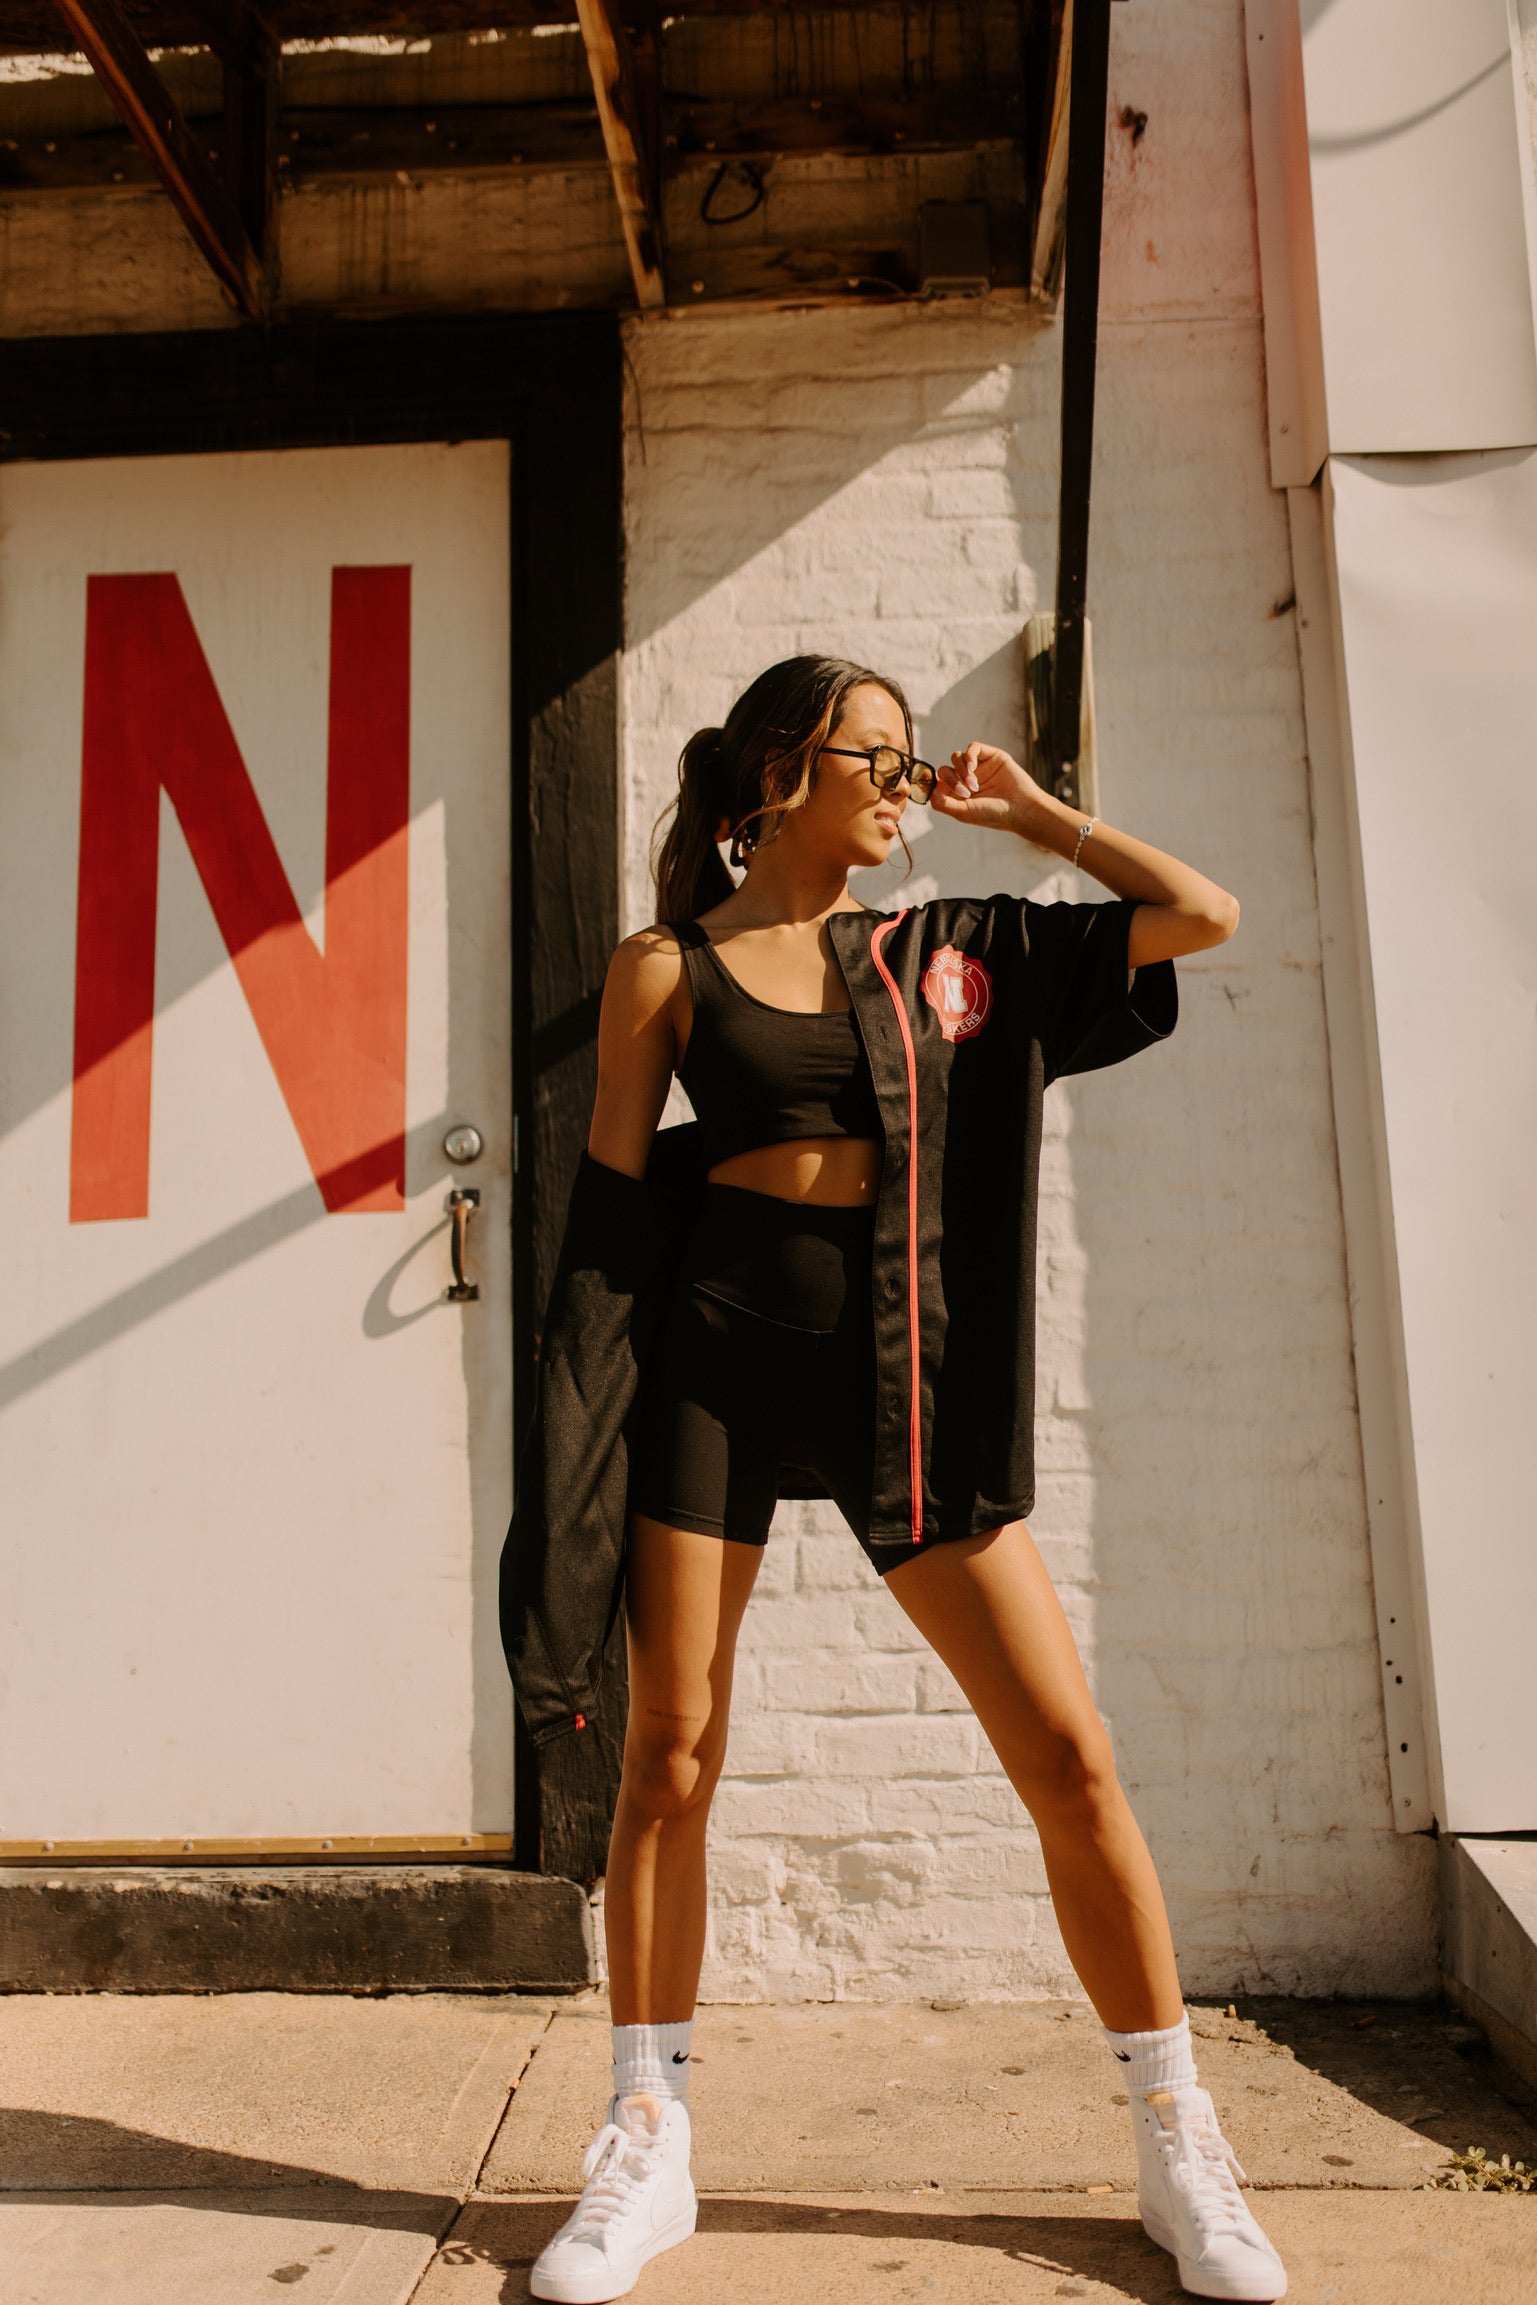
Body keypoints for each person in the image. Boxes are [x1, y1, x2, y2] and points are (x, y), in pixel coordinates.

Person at [509, 655, 1287, 2305]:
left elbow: (1201, 914)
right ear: (779, 773)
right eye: (876, 755)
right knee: (669, 1753)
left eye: (911, 757)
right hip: (713, 1366)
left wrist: (1040, 816)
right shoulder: (664, 966)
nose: (906, 782)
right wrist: (567, 1472)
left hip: (901, 1377)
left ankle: (1177, 2134)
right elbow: (608, 1240)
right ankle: (646, 2131)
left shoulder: (949, 948)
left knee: (1066, 1753)